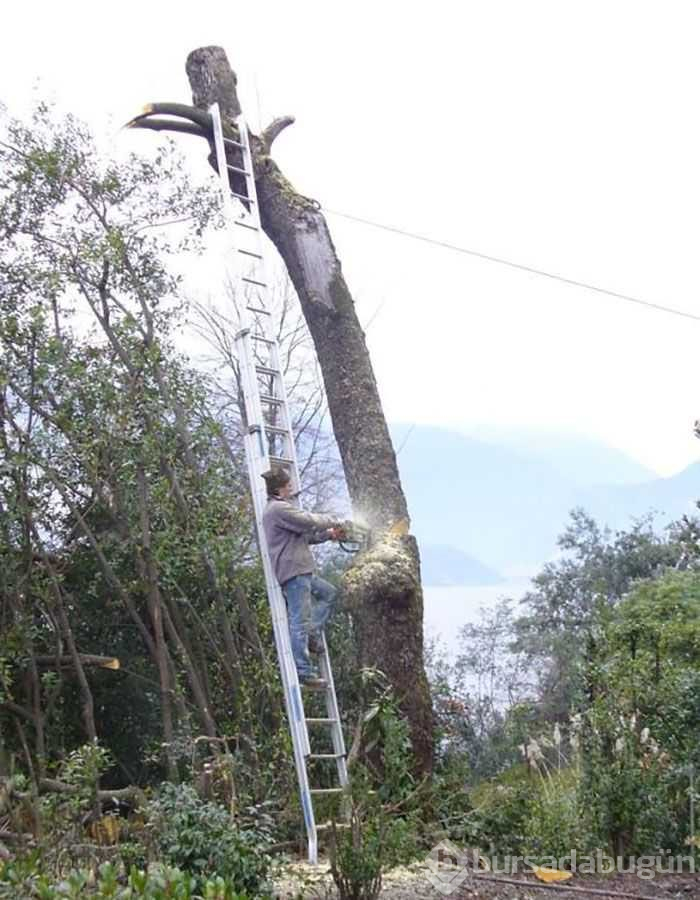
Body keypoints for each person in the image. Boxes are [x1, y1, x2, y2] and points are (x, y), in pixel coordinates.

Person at [261, 467, 342, 687]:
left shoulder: (281, 510)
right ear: (279, 488)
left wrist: (329, 534)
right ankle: (305, 673)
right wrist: (335, 519)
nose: (291, 488)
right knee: (299, 621)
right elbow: (308, 520)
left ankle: (313, 632)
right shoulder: (278, 509)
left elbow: (306, 536)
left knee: (329, 593)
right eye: (288, 485)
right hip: (294, 572)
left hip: (302, 570)